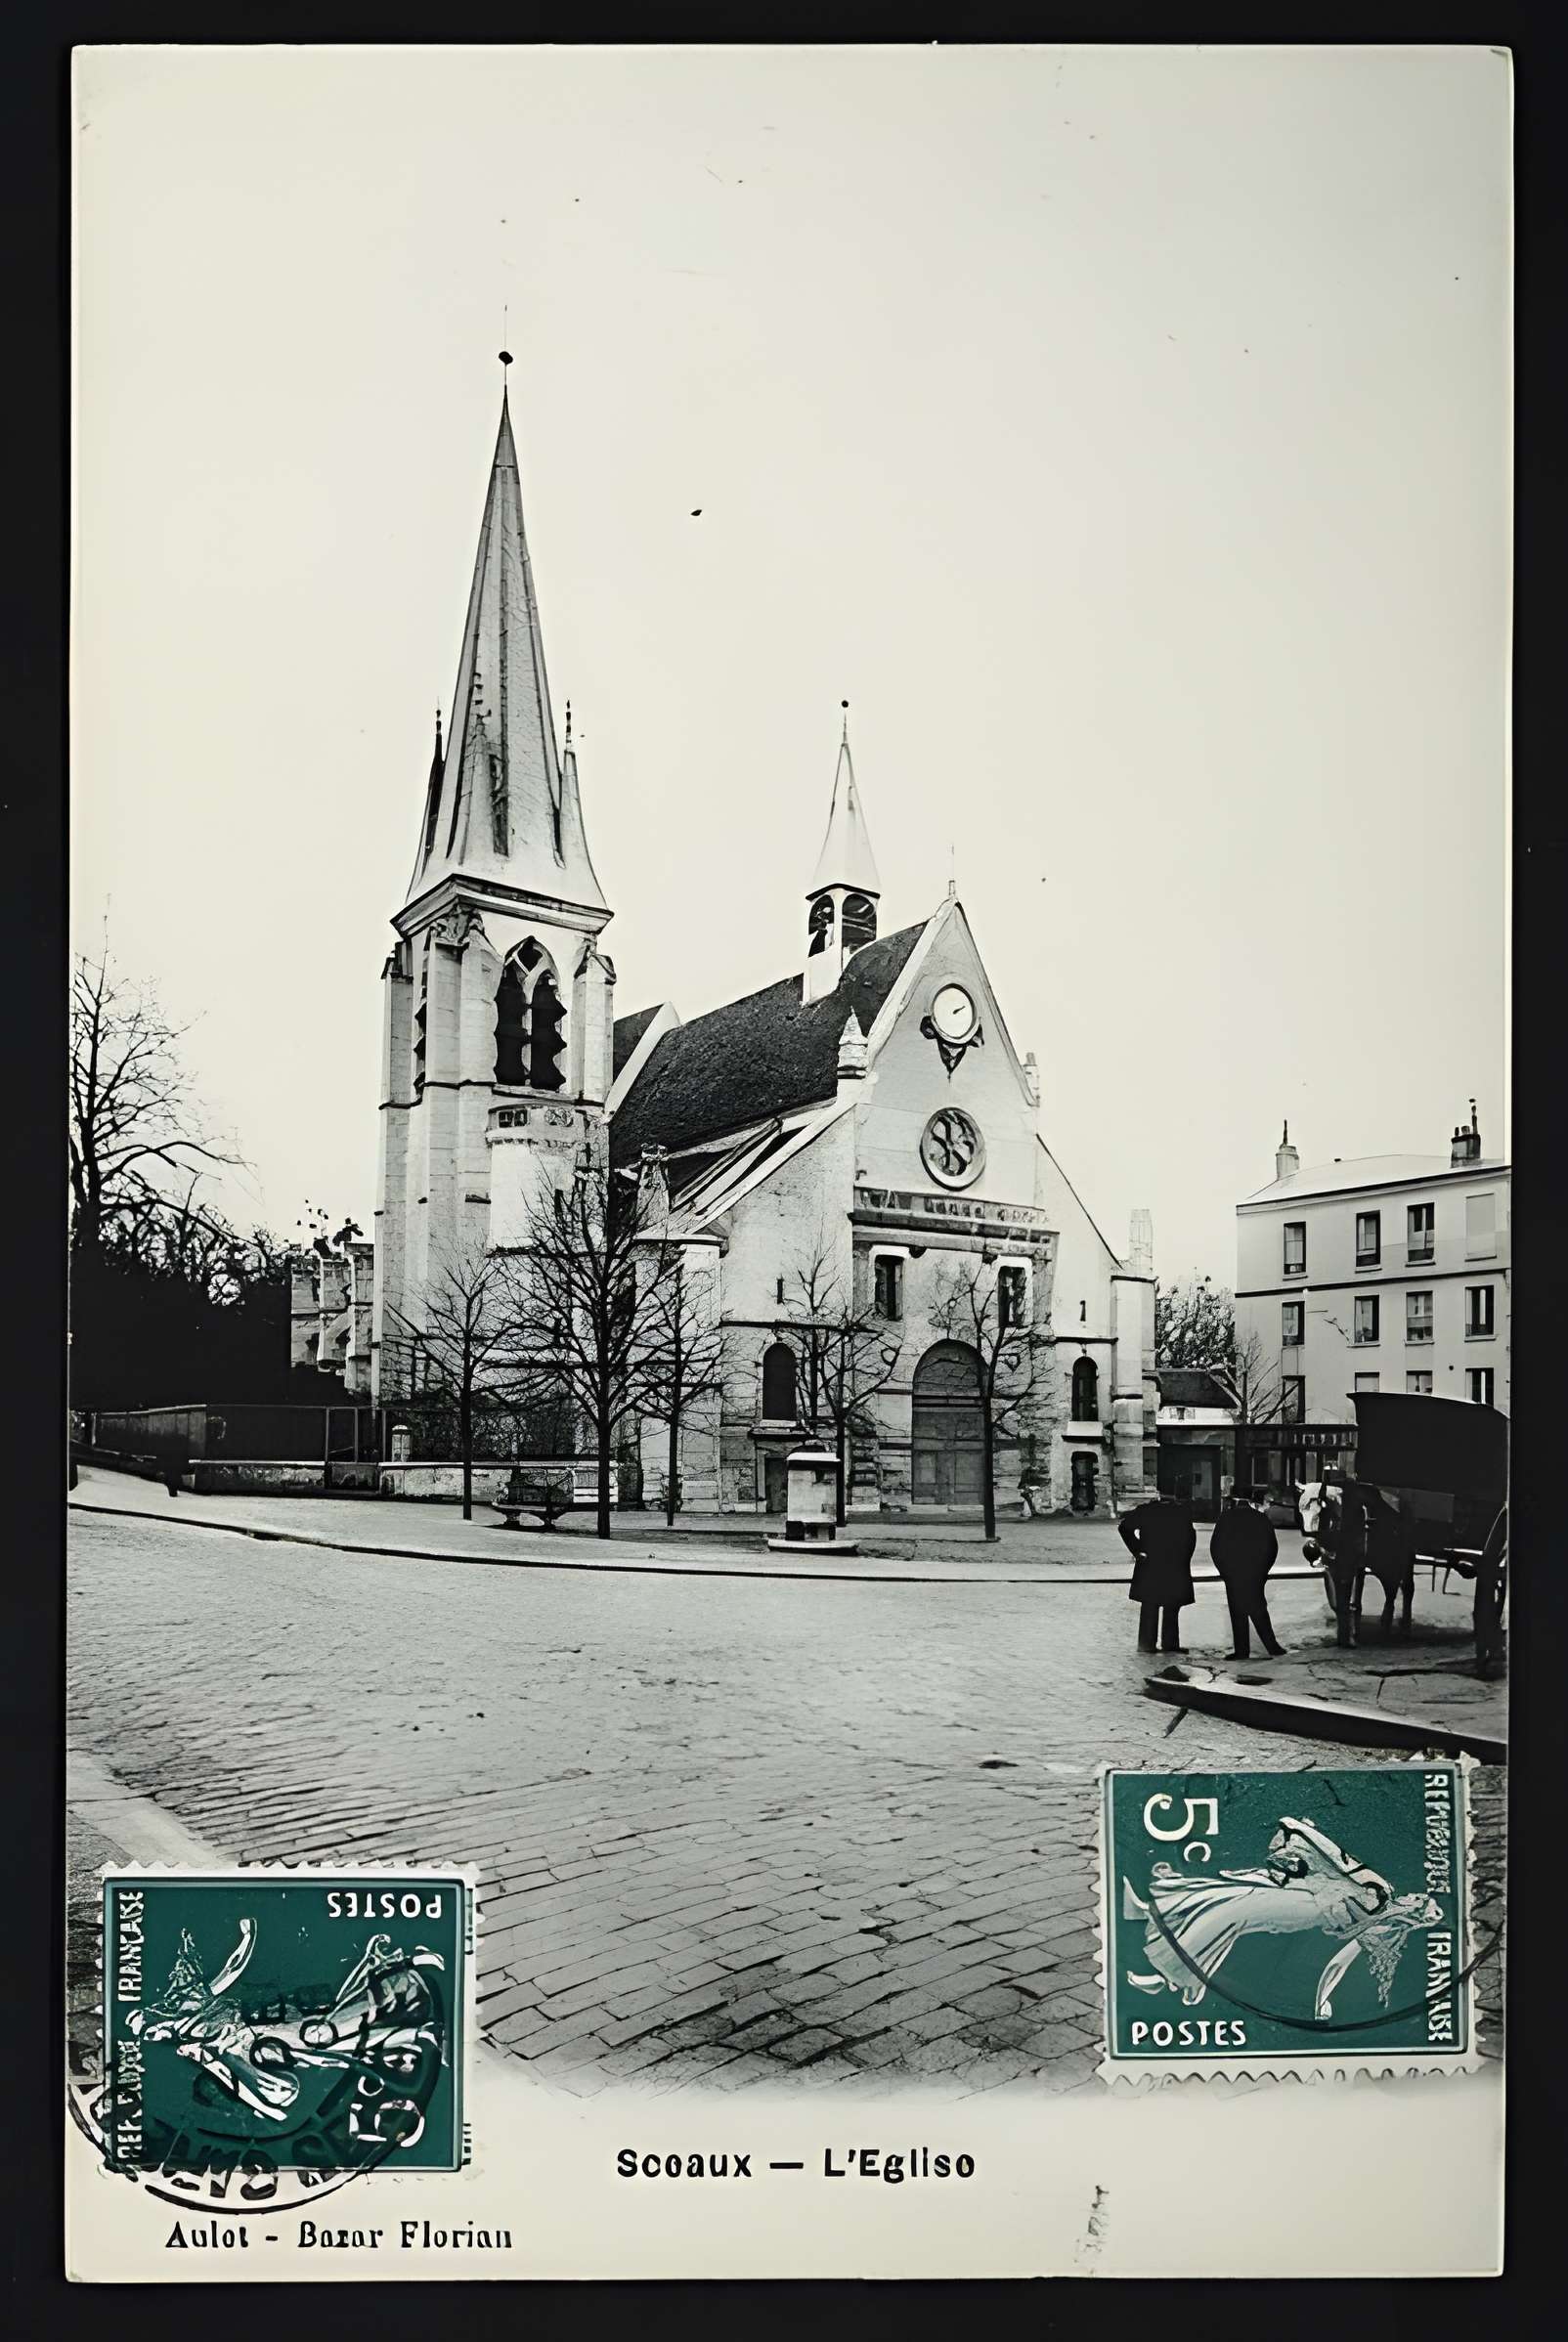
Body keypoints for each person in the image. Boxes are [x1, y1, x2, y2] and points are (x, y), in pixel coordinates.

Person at [1118, 1491, 1196, 1655]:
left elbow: (1124, 1527)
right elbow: (1190, 1538)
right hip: (1174, 1563)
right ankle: (1170, 1644)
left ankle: (1147, 1644)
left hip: (1151, 1561)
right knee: (1171, 1605)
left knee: (1150, 1604)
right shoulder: (1181, 1512)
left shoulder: (1147, 1510)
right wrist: (1185, 1557)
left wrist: (1138, 1550)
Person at [1209, 1491, 1285, 1660]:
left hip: (1233, 1572)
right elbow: (1271, 1548)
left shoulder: (1225, 1518)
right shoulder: (1261, 1519)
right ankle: (1272, 1646)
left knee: (1237, 1611)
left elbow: (1216, 1548)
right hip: (1255, 1571)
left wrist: (1224, 1571)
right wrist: (1263, 1570)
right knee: (1258, 1608)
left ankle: (1242, 1650)